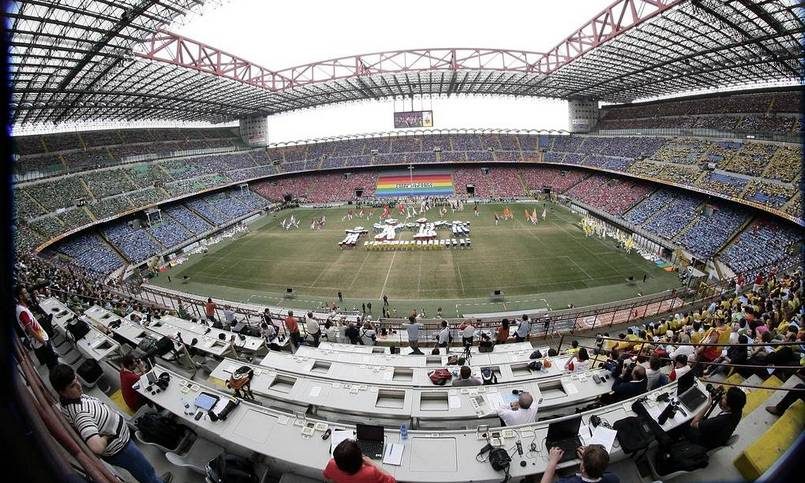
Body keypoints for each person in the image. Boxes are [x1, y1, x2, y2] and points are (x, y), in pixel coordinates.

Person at [49, 364, 172, 483]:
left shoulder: (71, 399)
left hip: (121, 446)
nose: (78, 385)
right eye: (72, 386)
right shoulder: (80, 414)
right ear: (62, 392)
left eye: (76, 379)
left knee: (143, 470)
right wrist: (108, 436)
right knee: (145, 471)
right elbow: (96, 447)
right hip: (122, 449)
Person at [16, 288, 58, 369]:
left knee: (52, 363)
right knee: (53, 365)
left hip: (41, 339)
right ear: (20, 296)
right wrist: (43, 341)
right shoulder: (22, 311)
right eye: (25, 293)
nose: (28, 294)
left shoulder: (21, 308)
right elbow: (30, 330)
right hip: (41, 342)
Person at [323, 439, 395, 483]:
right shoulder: (370, 473)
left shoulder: (331, 464)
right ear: (360, 457)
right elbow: (392, 481)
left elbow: (327, 478)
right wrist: (372, 463)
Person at [541, 445, 619, 483]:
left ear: (583, 469)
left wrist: (552, 461)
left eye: (583, 461)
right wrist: (588, 459)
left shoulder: (570, 482)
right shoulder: (613, 478)